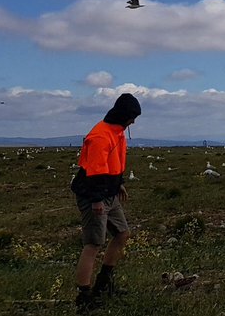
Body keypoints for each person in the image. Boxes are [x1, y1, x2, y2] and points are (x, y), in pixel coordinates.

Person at [71, 93, 141, 311]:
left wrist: (118, 183)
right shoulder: (101, 136)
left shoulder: (117, 132)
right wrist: (96, 201)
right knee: (93, 244)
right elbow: (95, 171)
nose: (134, 122)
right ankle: (84, 297)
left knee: (122, 233)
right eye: (132, 117)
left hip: (108, 193)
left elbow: (112, 164)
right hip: (95, 195)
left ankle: (104, 284)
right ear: (123, 115)